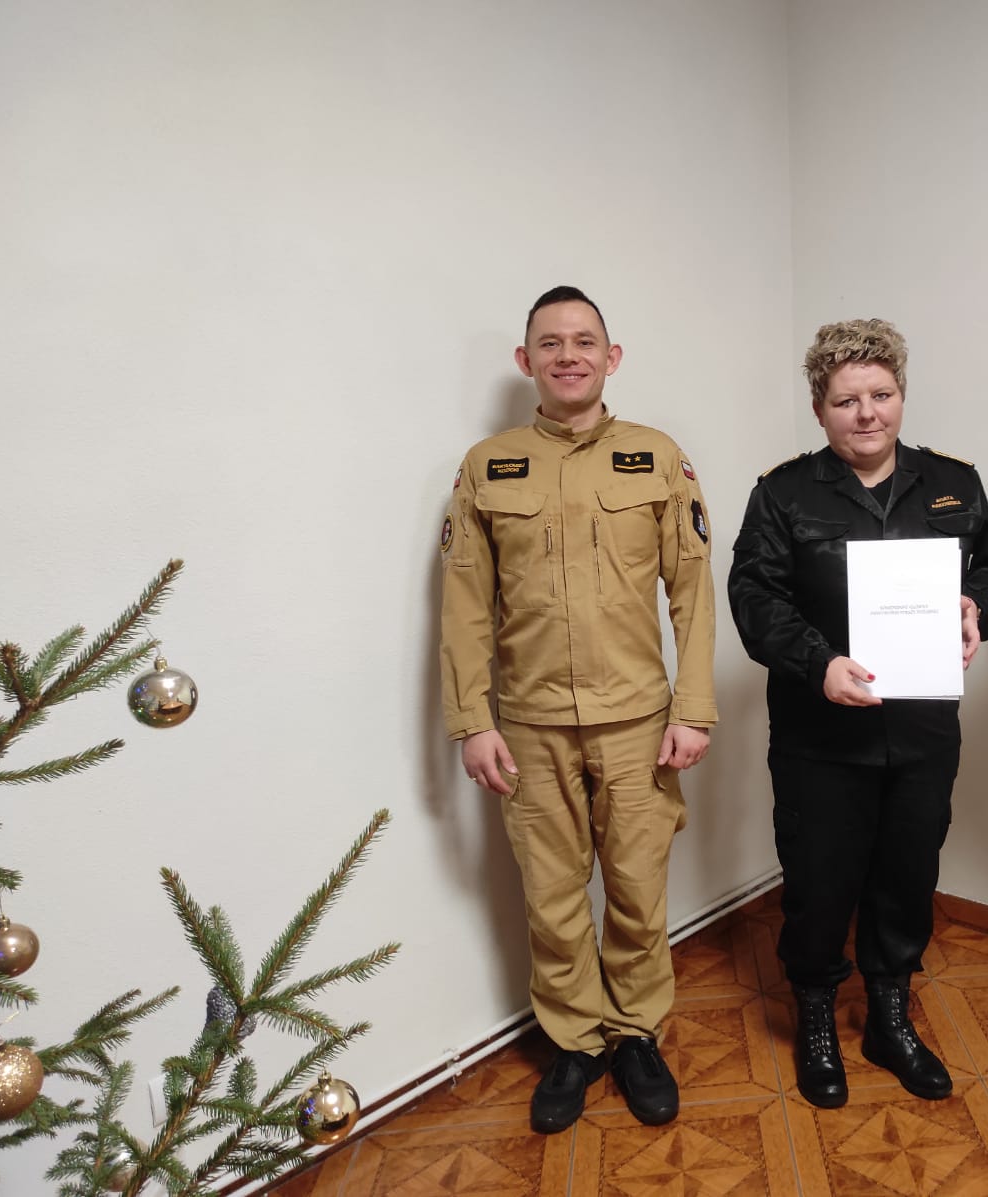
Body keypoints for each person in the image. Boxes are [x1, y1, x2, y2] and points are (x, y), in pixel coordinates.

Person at [439, 286, 717, 1134]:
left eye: (585, 340)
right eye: (551, 342)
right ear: (526, 360)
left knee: (637, 888)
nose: (569, 355)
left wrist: (693, 707)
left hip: (638, 721)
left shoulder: (657, 457)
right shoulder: (487, 466)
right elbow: (463, 604)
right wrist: (472, 720)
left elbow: (693, 591)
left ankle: (634, 1033)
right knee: (552, 896)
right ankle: (574, 1041)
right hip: (529, 725)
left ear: (611, 357)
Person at [729, 318, 988, 1108]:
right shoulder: (783, 492)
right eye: (846, 400)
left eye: (881, 395)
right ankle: (816, 1014)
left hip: (923, 733)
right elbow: (754, 597)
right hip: (821, 737)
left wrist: (977, 607)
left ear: (901, 395)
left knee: (907, 875)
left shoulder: (954, 482)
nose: (866, 413)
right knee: (819, 883)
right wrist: (818, 661)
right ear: (819, 408)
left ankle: (890, 1015)